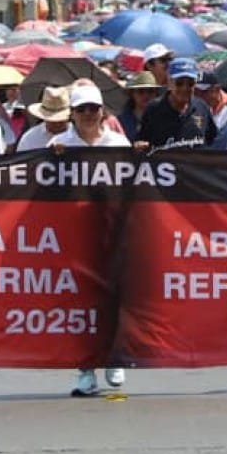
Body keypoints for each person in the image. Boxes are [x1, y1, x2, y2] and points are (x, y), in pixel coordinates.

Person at [50, 86, 130, 397]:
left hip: (111, 230)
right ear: (72, 113)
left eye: (93, 108)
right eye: (82, 109)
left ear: (102, 111)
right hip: (74, 233)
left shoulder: (118, 143)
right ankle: (85, 369)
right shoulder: (59, 144)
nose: (88, 114)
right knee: (80, 302)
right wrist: (52, 159)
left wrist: (136, 153)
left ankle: (113, 357)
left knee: (112, 297)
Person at [135, 57, 217, 150]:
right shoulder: (153, 110)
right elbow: (141, 142)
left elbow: (213, 141)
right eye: (179, 83)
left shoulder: (202, 107)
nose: (184, 88)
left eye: (190, 83)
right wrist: (139, 146)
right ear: (170, 82)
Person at [16, 86, 71, 151]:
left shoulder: (80, 135)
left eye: (61, 120)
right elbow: (22, 160)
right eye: (52, 120)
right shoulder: (30, 138)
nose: (57, 124)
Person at [117, 72, 163, 141]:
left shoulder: (163, 118)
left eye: (150, 91)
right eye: (140, 91)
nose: (146, 95)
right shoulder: (120, 120)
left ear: (156, 93)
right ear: (132, 94)